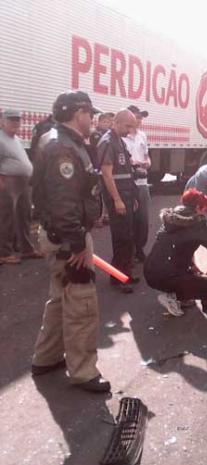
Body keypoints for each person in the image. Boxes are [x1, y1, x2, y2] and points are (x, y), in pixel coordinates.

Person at [30, 90, 111, 392]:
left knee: (59, 297)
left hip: (59, 235)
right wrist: (76, 243)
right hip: (68, 238)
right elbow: (64, 203)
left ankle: (46, 357)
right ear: (78, 114)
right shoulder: (63, 148)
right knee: (81, 303)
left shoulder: (59, 140)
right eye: (90, 114)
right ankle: (83, 371)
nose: (93, 119)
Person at [144, 188, 207, 316]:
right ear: (198, 207)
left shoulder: (170, 220)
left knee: (190, 276)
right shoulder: (197, 224)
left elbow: (177, 246)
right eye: (205, 210)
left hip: (150, 271)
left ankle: (177, 294)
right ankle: (171, 296)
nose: (205, 214)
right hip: (168, 275)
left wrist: (191, 265)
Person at [97, 110, 139, 293]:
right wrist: (117, 200)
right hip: (119, 198)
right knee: (121, 238)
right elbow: (107, 174)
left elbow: (127, 172)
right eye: (127, 126)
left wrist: (133, 197)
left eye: (132, 127)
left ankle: (125, 272)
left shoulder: (119, 141)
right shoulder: (107, 142)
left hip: (127, 196)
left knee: (128, 237)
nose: (130, 131)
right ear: (116, 122)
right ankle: (118, 278)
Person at [0, 109, 43, 264]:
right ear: (2, 121)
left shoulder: (15, 139)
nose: (15, 122)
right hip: (7, 182)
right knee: (6, 219)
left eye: (17, 120)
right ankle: (4, 253)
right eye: (11, 119)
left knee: (24, 216)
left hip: (22, 183)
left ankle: (26, 249)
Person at [124, 105, 150, 262]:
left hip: (143, 183)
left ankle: (140, 249)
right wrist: (138, 163)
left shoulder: (142, 135)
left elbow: (147, 156)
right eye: (137, 117)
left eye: (141, 118)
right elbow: (125, 160)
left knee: (143, 220)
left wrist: (147, 162)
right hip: (128, 184)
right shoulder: (121, 137)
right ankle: (130, 253)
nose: (139, 120)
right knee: (129, 220)